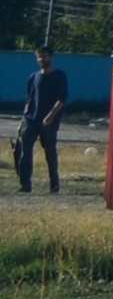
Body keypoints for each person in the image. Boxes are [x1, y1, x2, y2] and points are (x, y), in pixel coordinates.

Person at [16, 50, 66, 195]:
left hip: (49, 123)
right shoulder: (33, 77)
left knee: (50, 154)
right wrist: (22, 121)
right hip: (31, 120)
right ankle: (25, 186)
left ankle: (54, 186)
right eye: (39, 56)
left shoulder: (59, 76)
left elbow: (62, 99)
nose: (42, 59)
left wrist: (50, 116)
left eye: (45, 56)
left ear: (51, 57)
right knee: (25, 152)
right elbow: (29, 100)